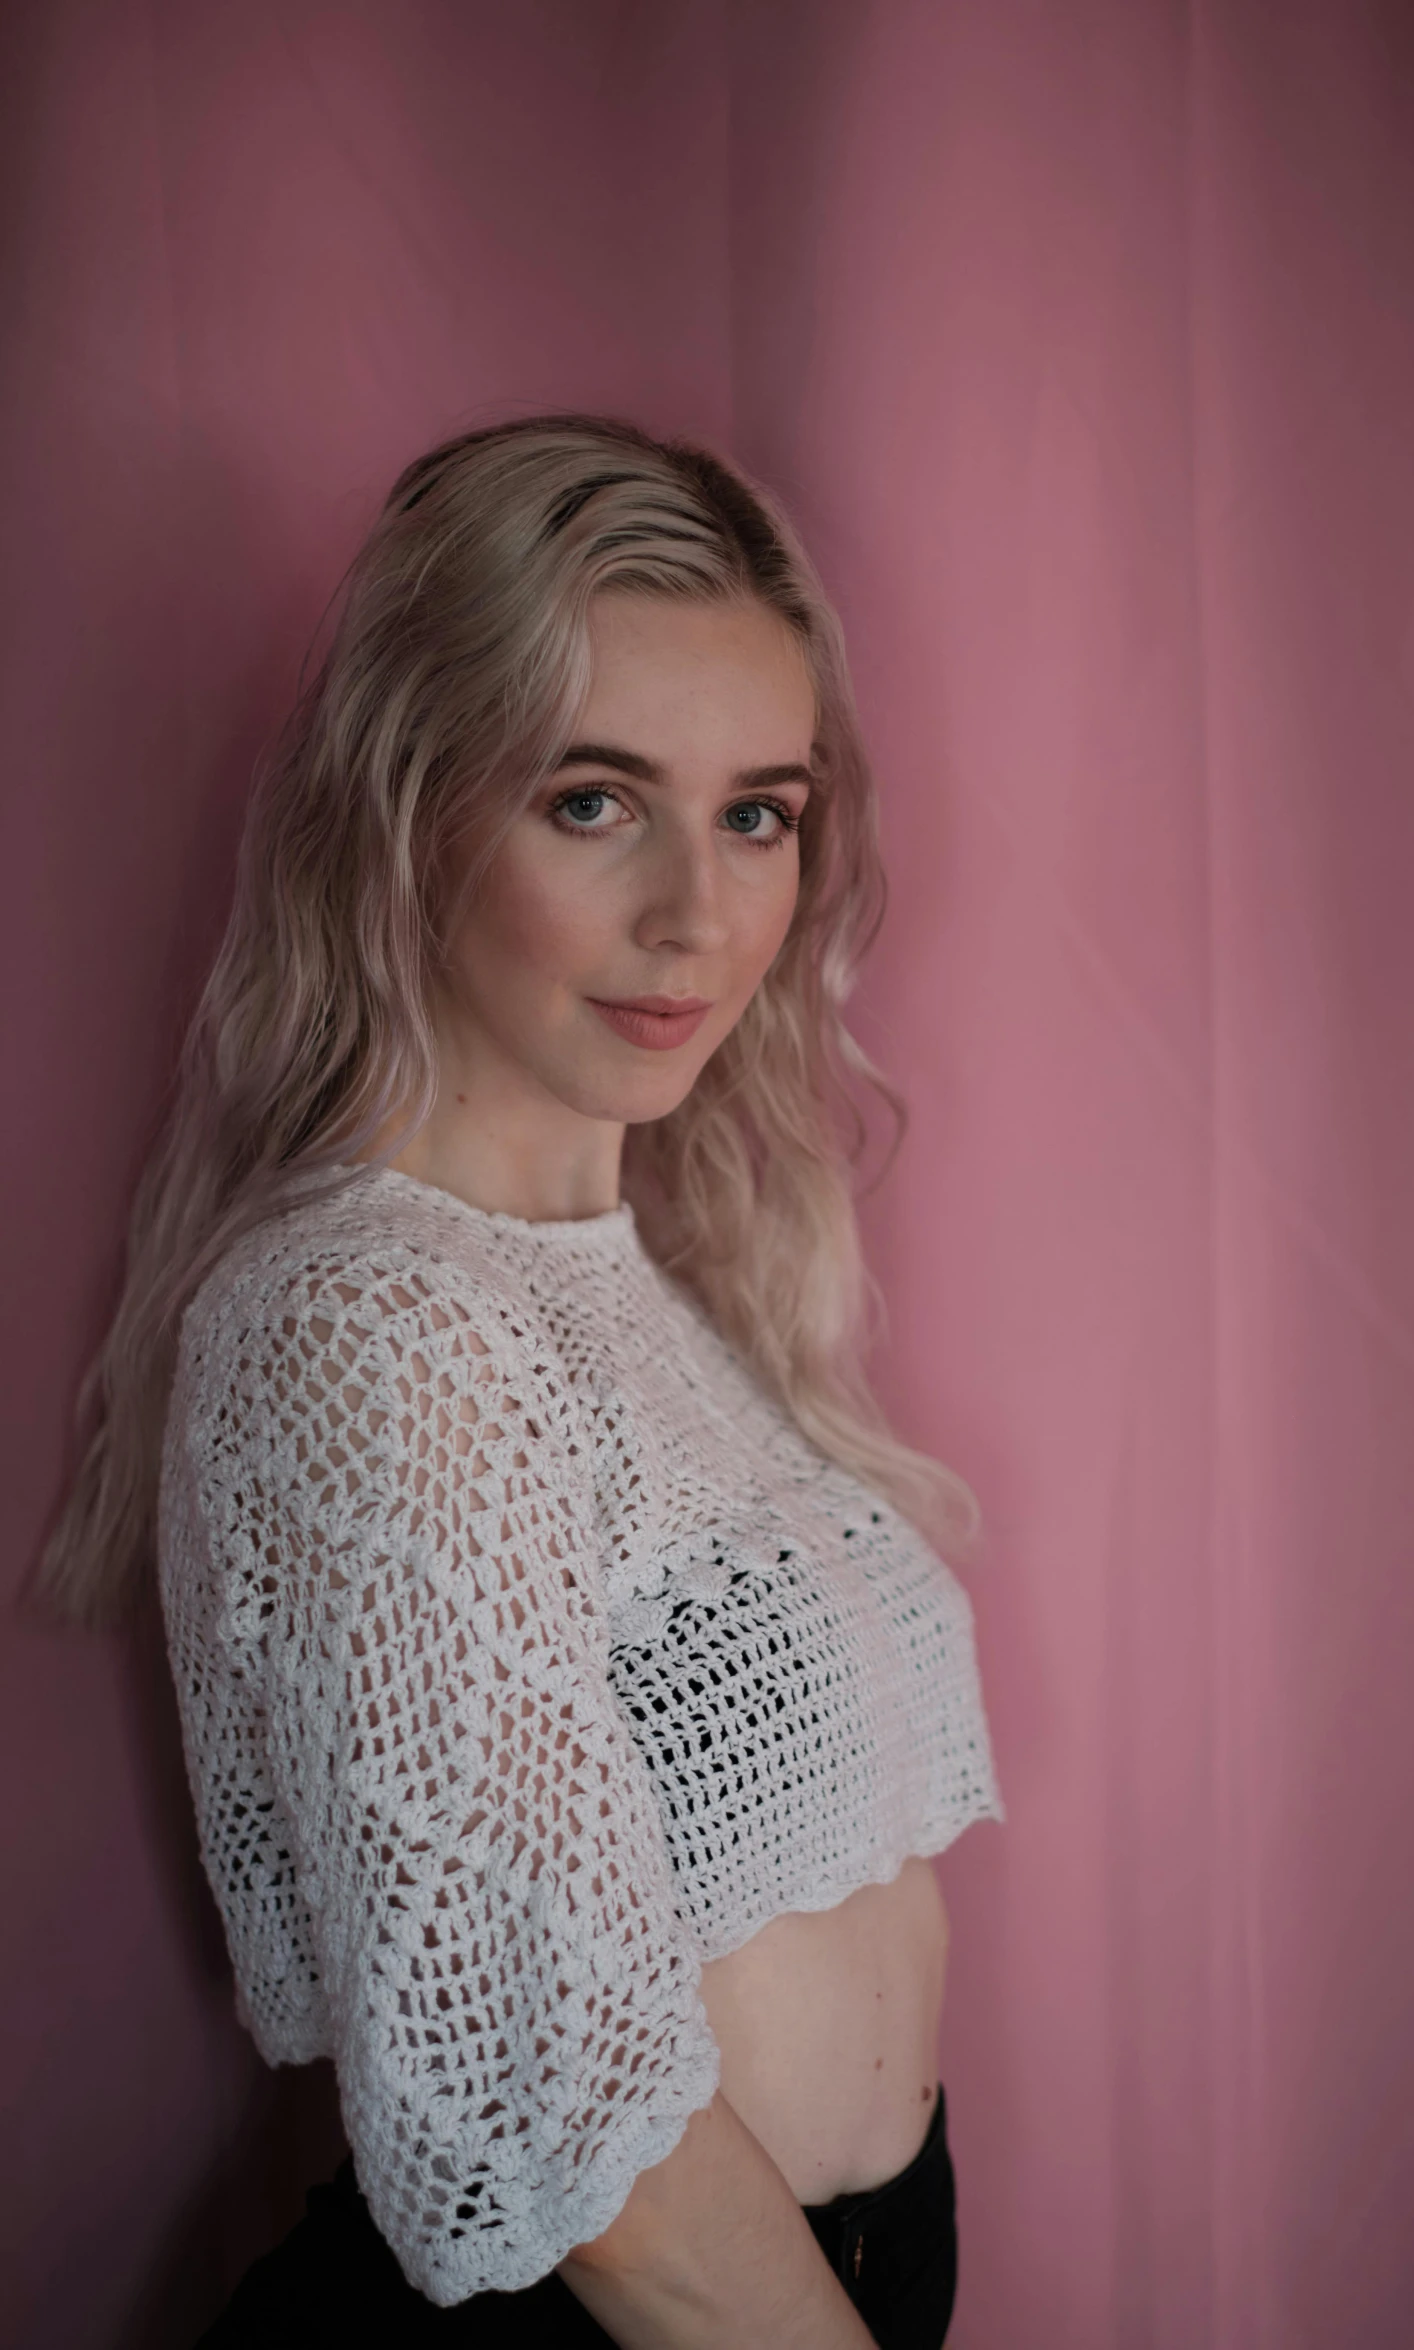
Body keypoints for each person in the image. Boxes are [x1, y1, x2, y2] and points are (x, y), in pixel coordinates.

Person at [42, 415, 1005, 2347]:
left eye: (758, 811)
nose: (700, 916)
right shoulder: (362, 1319)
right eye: (592, 799)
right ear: (407, 808)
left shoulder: (653, 1290)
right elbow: (560, 2125)